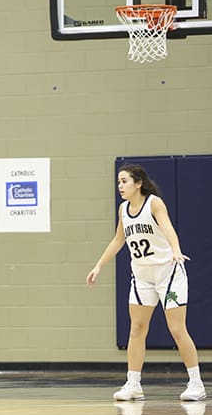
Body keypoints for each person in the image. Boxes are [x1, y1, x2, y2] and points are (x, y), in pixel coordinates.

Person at [86, 163, 206, 402]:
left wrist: (176, 250)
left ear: (138, 183)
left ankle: (196, 383)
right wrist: (99, 265)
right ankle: (134, 384)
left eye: (124, 181)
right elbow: (118, 240)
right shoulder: (123, 210)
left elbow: (168, 228)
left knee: (176, 329)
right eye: (118, 182)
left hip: (168, 273)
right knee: (137, 329)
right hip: (142, 276)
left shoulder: (154, 203)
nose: (120, 186)